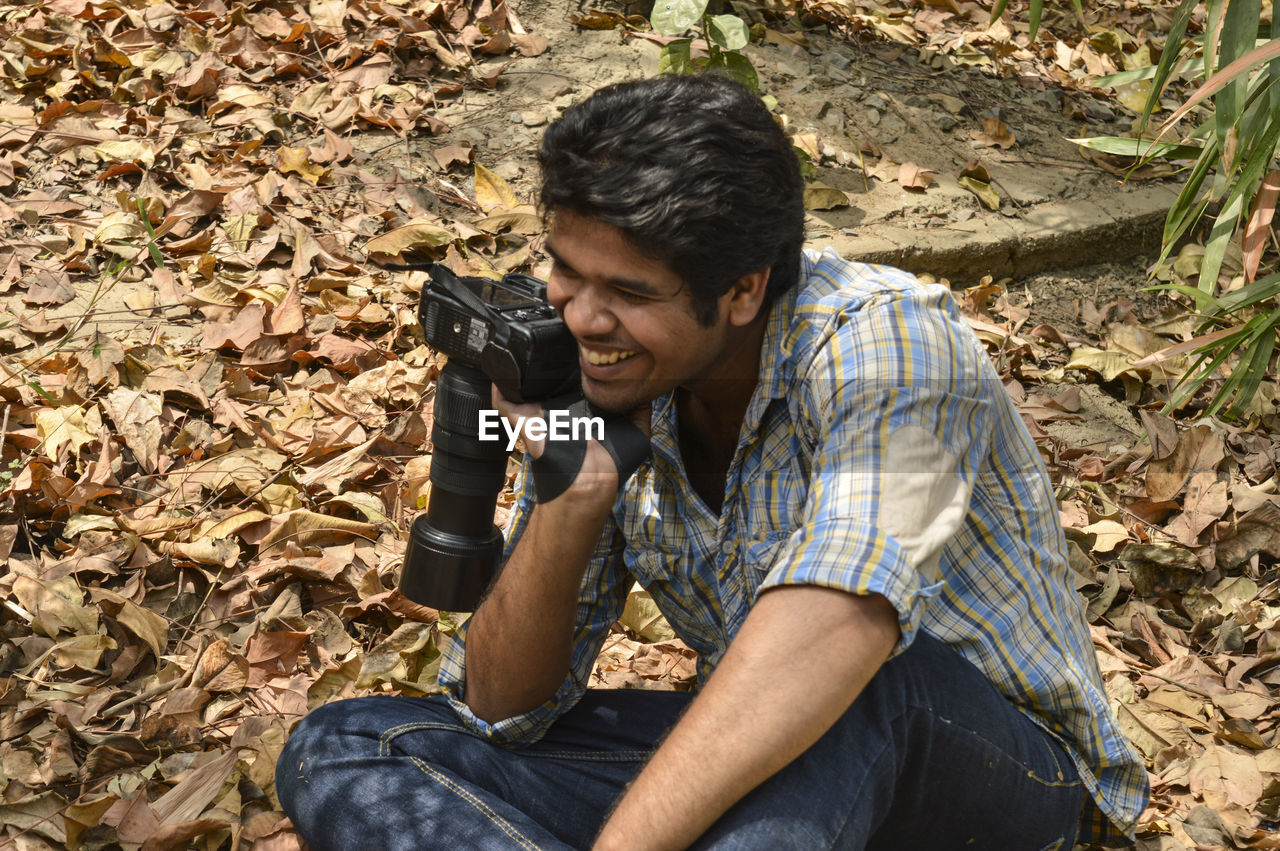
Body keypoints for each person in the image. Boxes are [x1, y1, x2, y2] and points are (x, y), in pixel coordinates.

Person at [275, 74, 1148, 850]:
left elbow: (836, 623)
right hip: (783, 764)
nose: (579, 316)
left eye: (627, 293)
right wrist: (570, 502)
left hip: (999, 777)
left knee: (869, 679)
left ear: (743, 290)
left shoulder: (892, 346)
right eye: (566, 271)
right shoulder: (613, 370)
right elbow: (501, 710)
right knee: (353, 749)